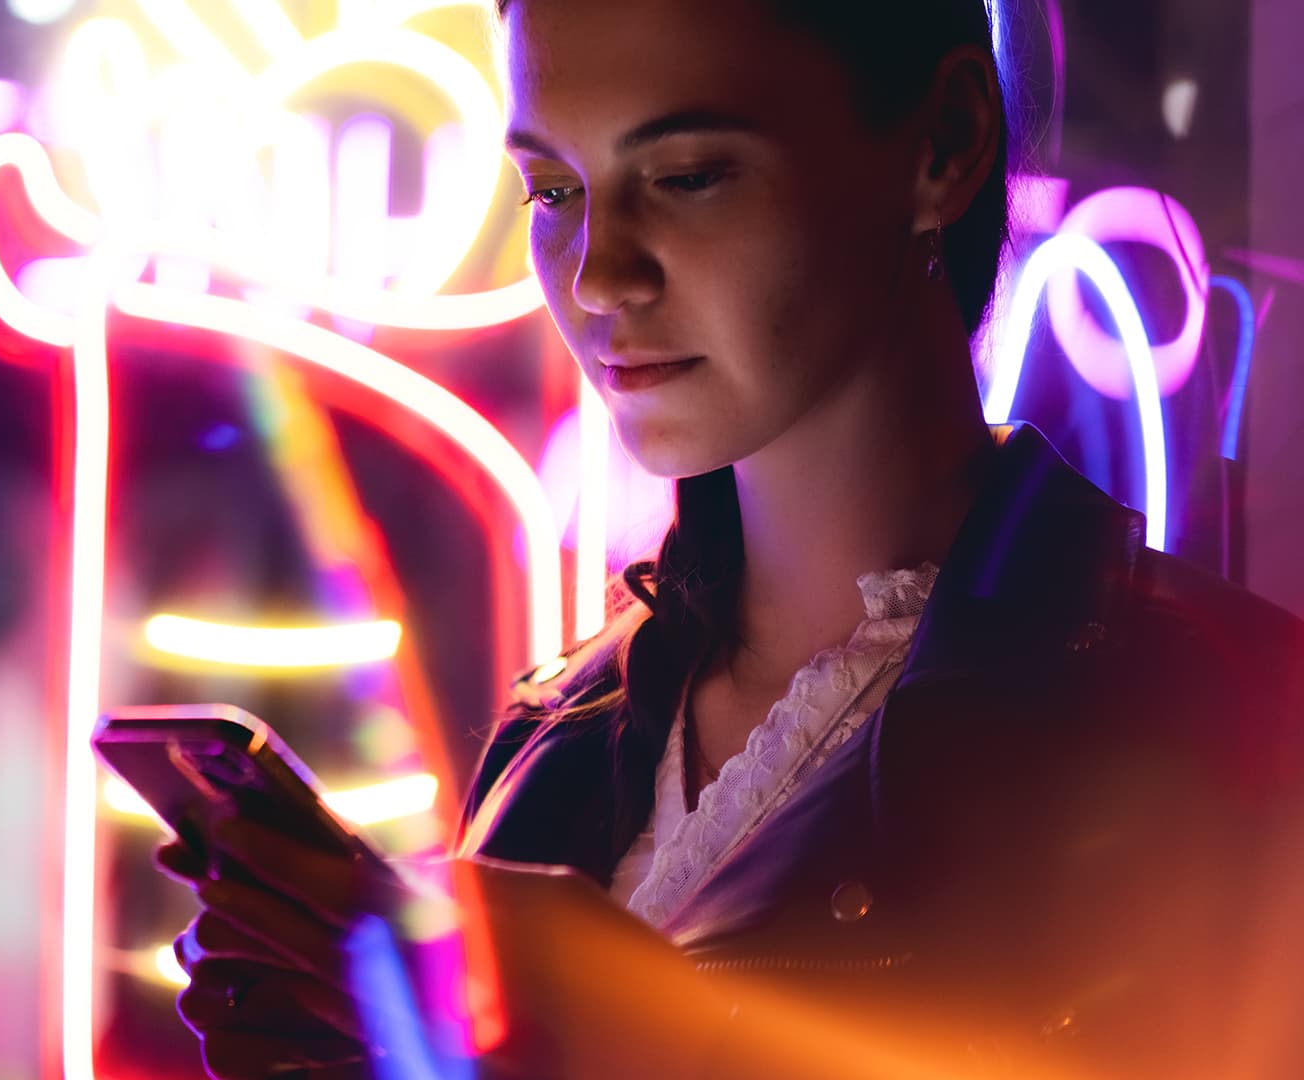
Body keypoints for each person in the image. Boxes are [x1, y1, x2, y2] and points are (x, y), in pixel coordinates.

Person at [156, 0, 1304, 1076]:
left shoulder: (1227, 722)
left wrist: (648, 1026)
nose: (600, 274)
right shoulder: (556, 737)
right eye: (552, 191)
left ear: (944, 145)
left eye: (688, 176)